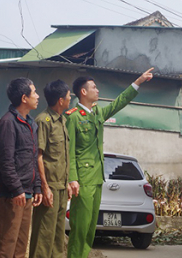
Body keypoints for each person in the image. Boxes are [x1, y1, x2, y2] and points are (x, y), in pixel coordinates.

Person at [66, 68, 154, 258]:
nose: (97, 90)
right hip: (82, 180)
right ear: (83, 92)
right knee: (80, 228)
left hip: (97, 179)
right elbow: (69, 151)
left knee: (90, 229)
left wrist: (138, 81)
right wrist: (72, 179)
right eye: (94, 87)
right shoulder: (73, 117)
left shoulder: (97, 112)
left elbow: (119, 102)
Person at [0, 78, 43, 258]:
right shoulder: (8, 123)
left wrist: (37, 187)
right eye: (34, 92)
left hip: (26, 194)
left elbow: (33, 158)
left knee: (20, 248)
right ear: (24, 98)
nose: (37, 96)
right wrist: (16, 189)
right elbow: (5, 162)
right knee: (5, 247)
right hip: (10, 196)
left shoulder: (31, 124)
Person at [29, 80, 72, 258]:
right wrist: (44, 187)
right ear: (61, 100)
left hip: (61, 187)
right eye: (69, 96)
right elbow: (39, 156)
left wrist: (67, 183)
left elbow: (62, 156)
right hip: (50, 187)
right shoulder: (44, 120)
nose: (71, 99)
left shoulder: (62, 120)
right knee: (43, 236)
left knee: (57, 237)